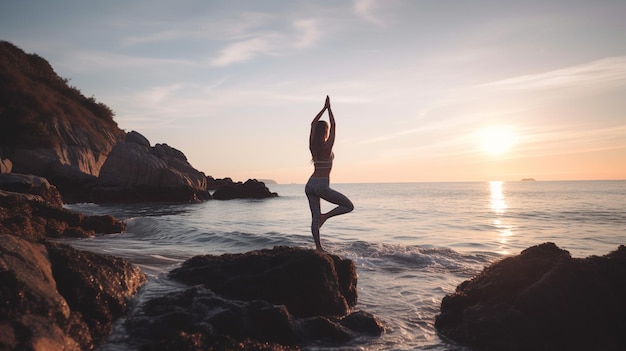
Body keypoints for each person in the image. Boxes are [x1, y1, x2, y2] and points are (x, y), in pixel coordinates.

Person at [305, 96, 354, 251]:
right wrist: (329, 109)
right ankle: (325, 217)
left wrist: (323, 109)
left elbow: (313, 124)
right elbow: (333, 124)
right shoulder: (327, 147)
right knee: (348, 206)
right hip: (321, 185)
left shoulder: (313, 147)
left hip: (310, 184)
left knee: (314, 218)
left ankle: (318, 248)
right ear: (325, 131)